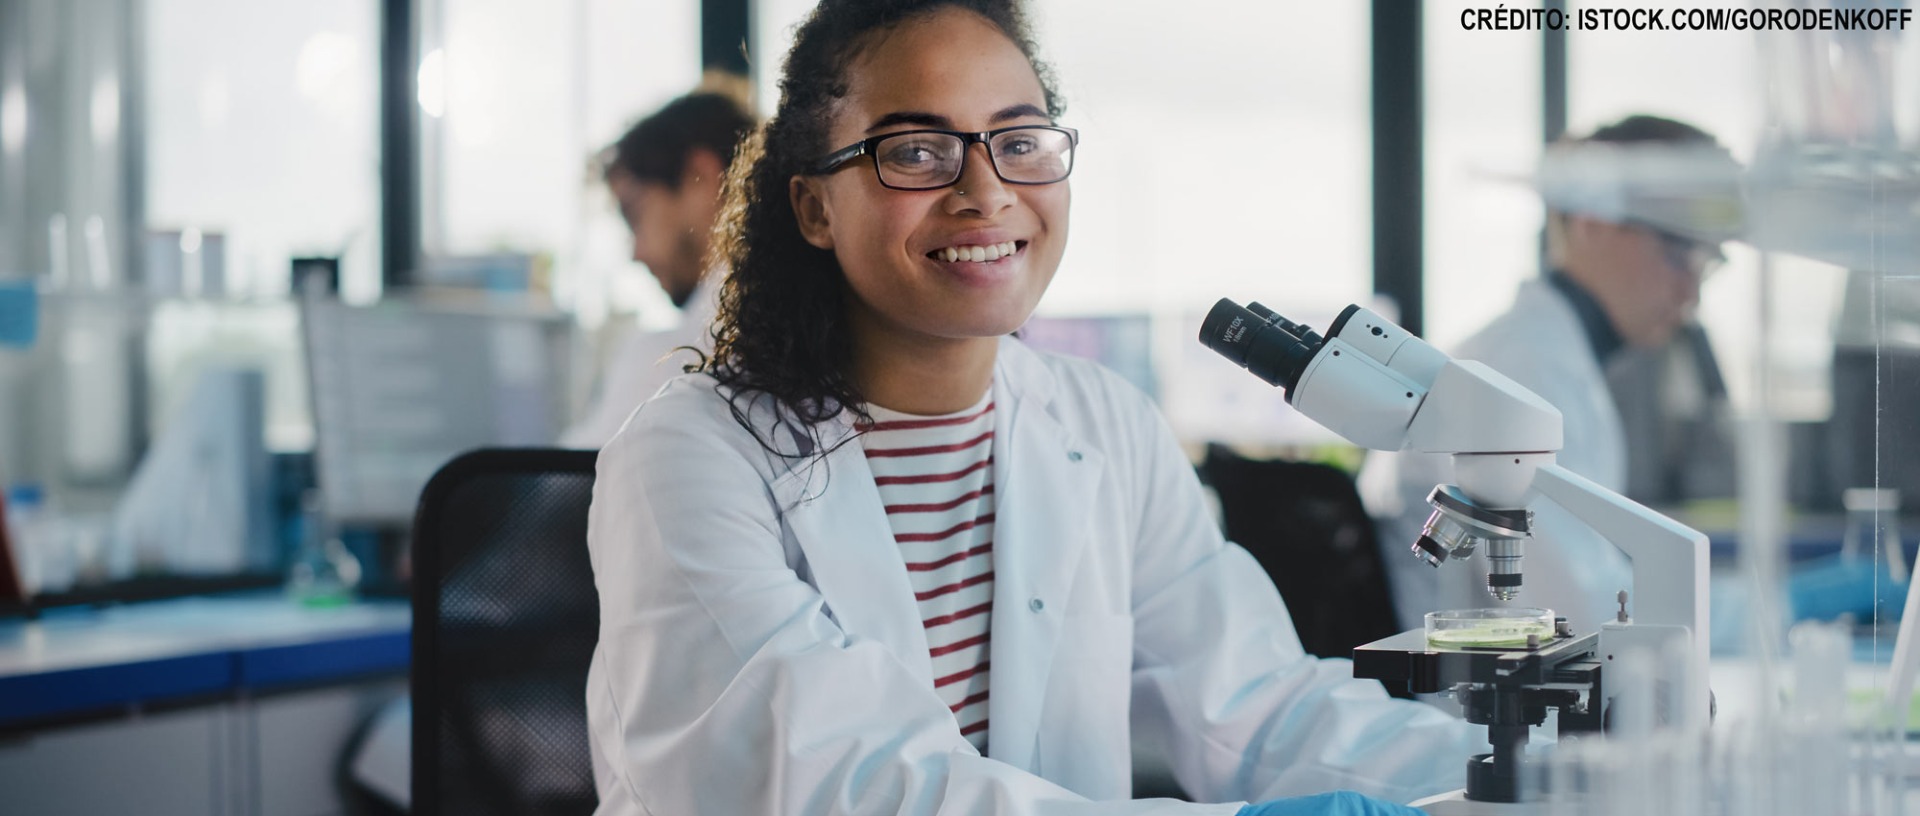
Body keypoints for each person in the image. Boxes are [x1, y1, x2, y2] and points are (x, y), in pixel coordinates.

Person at [582, 2, 1476, 815]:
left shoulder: (1104, 425)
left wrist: (1510, 772)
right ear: (814, 206)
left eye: (1019, 141)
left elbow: (1254, 705)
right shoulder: (689, 455)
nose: (985, 191)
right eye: (916, 151)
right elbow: (849, 785)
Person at [1361, 115, 1743, 636]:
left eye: (1708, 259)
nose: (1692, 293)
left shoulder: (1548, 358)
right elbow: (1583, 614)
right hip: (1476, 704)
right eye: (1679, 252)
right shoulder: (1523, 370)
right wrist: (1774, 612)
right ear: (1590, 220)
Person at [560, 80, 756, 448]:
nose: (637, 253)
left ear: (700, 176)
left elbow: (558, 494)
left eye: (635, 215)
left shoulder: (675, 362)